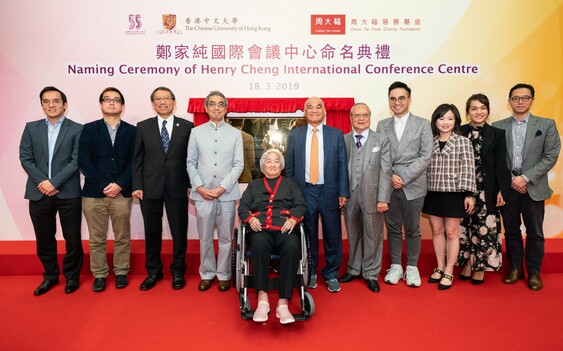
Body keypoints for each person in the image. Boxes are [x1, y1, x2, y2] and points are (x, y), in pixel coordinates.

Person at [492, 83, 561, 291]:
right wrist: (512, 180)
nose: (520, 101)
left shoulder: (546, 125)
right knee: (511, 231)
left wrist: (526, 178)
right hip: (508, 188)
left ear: (532, 100)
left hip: (534, 187)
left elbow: (551, 155)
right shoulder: (498, 125)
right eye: (516, 98)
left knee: (535, 232)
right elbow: (496, 158)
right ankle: (515, 268)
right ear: (509, 101)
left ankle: (533, 272)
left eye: (525, 98)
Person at [19, 86, 83, 295]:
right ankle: (50, 276)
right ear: (42, 105)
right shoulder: (31, 128)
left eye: (56, 101)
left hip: (68, 192)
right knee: (44, 238)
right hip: (38, 192)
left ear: (65, 105)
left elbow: (76, 161)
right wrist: (44, 183)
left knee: (72, 238)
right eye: (46, 101)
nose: (51, 105)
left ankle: (72, 277)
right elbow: (26, 159)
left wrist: (54, 182)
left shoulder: (77, 129)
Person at [132, 87, 193, 291]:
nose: (162, 102)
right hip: (149, 188)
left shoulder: (187, 126)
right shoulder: (143, 126)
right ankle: (153, 272)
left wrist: (192, 184)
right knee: (152, 232)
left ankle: (177, 271)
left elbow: (191, 159)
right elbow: (137, 159)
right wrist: (137, 185)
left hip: (177, 186)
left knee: (178, 232)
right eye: (158, 99)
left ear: (174, 102)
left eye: (166, 98)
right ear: (152, 103)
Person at [286, 96, 349, 293]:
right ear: (304, 113)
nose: (314, 110)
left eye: (318, 107)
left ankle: (331, 273)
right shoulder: (295, 135)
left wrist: (343, 192)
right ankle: (310, 272)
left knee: (333, 234)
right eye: (310, 107)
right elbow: (289, 168)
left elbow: (342, 165)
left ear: (324, 112)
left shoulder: (336, 134)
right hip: (304, 191)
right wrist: (291, 195)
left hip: (329, 191)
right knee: (308, 234)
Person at [238, 149, 306, 324]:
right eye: (269, 161)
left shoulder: (290, 184)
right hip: (260, 229)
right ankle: (263, 299)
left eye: (277, 161)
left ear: (281, 165)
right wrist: (250, 218)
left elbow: (300, 205)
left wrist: (293, 219)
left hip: (284, 229)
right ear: (262, 166)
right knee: (259, 243)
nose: (273, 164)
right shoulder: (254, 185)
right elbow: (243, 207)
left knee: (292, 246)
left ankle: (283, 304)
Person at [78, 87, 136, 292]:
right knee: (96, 238)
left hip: (122, 193)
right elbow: (83, 160)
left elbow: (134, 162)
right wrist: (104, 184)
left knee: (122, 236)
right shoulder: (88, 129)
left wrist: (119, 184)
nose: (112, 103)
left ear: (122, 105)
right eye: (107, 99)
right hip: (94, 194)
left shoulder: (132, 131)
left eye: (116, 100)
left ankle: (121, 272)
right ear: (101, 104)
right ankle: (100, 274)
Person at [375, 81, 433, 287]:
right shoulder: (382, 125)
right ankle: (396, 266)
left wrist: (404, 176)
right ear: (389, 101)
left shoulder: (423, 124)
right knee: (392, 228)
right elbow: (380, 156)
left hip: (414, 184)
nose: (397, 102)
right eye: (393, 98)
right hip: (389, 184)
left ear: (409, 99)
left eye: (401, 98)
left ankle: (412, 267)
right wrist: (390, 175)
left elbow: (426, 156)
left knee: (412, 228)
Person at [187, 91, 244, 292]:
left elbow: (238, 165)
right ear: (206, 108)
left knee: (226, 237)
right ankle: (207, 273)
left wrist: (222, 187)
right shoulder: (196, 132)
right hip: (202, 194)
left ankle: (223, 274)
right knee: (205, 237)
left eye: (221, 104)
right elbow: (191, 163)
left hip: (227, 194)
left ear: (226, 108)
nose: (217, 107)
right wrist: (200, 187)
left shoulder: (235, 133)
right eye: (212, 104)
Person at [457, 94, 511, 284]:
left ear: (488, 110)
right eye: (474, 108)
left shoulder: (497, 134)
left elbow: (501, 166)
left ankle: (480, 266)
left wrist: (501, 191)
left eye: (482, 108)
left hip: (486, 189)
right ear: (467, 112)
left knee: (483, 228)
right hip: (463, 189)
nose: (478, 112)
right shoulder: (459, 131)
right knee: (464, 227)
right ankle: (467, 263)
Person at [339, 103, 392, 293]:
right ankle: (354, 269)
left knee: (373, 236)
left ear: (370, 117)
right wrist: (341, 193)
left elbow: (386, 171)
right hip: (349, 196)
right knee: (353, 235)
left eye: (364, 115)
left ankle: (370, 273)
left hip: (373, 196)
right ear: (351, 118)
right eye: (356, 115)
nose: (361, 119)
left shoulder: (382, 140)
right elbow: (338, 169)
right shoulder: (343, 140)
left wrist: (383, 198)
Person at [423, 104, 476, 290]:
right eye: (441, 118)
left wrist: (469, 194)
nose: (445, 122)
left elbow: (469, 169)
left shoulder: (463, 141)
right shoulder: (429, 141)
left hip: (455, 193)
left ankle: (449, 270)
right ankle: (439, 266)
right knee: (436, 231)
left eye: (450, 119)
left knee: (452, 233)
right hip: (433, 192)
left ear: (456, 121)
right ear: (435, 120)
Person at [230, 118, 255, 182]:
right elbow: (251, 161)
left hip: (229, 177)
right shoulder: (248, 137)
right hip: (245, 176)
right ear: (242, 123)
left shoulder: (225, 137)